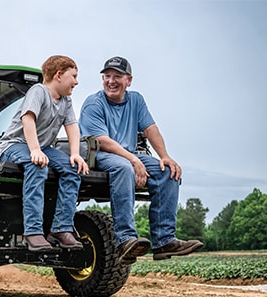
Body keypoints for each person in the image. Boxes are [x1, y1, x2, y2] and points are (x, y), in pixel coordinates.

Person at [80, 56, 202, 264]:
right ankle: (125, 239)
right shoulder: (94, 103)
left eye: (117, 76)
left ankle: (164, 240)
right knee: (124, 167)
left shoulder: (136, 100)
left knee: (168, 172)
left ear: (129, 80)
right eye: (107, 76)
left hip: (128, 155)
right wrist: (133, 161)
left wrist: (165, 156)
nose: (111, 81)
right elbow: (102, 141)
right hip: (98, 154)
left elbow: (150, 129)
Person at [0, 55, 89, 252]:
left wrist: (75, 153)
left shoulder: (66, 101)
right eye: (73, 76)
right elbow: (28, 119)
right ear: (58, 75)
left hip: (42, 147)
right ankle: (33, 232)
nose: (76, 81)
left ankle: (60, 229)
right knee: (38, 165)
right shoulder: (38, 91)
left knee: (72, 169)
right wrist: (35, 150)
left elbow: (72, 126)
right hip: (15, 144)